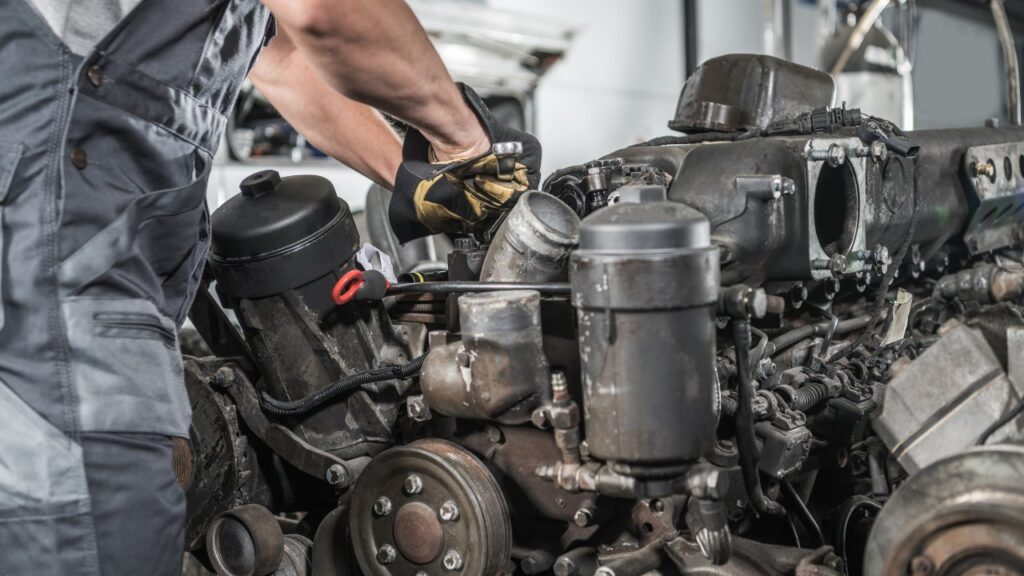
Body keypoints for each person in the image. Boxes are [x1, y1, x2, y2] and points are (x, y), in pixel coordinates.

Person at [0, 1, 540, 574]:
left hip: (89, 271)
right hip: (55, 273)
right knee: (109, 537)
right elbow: (323, 11)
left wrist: (423, 183)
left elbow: (282, 60)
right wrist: (466, 142)